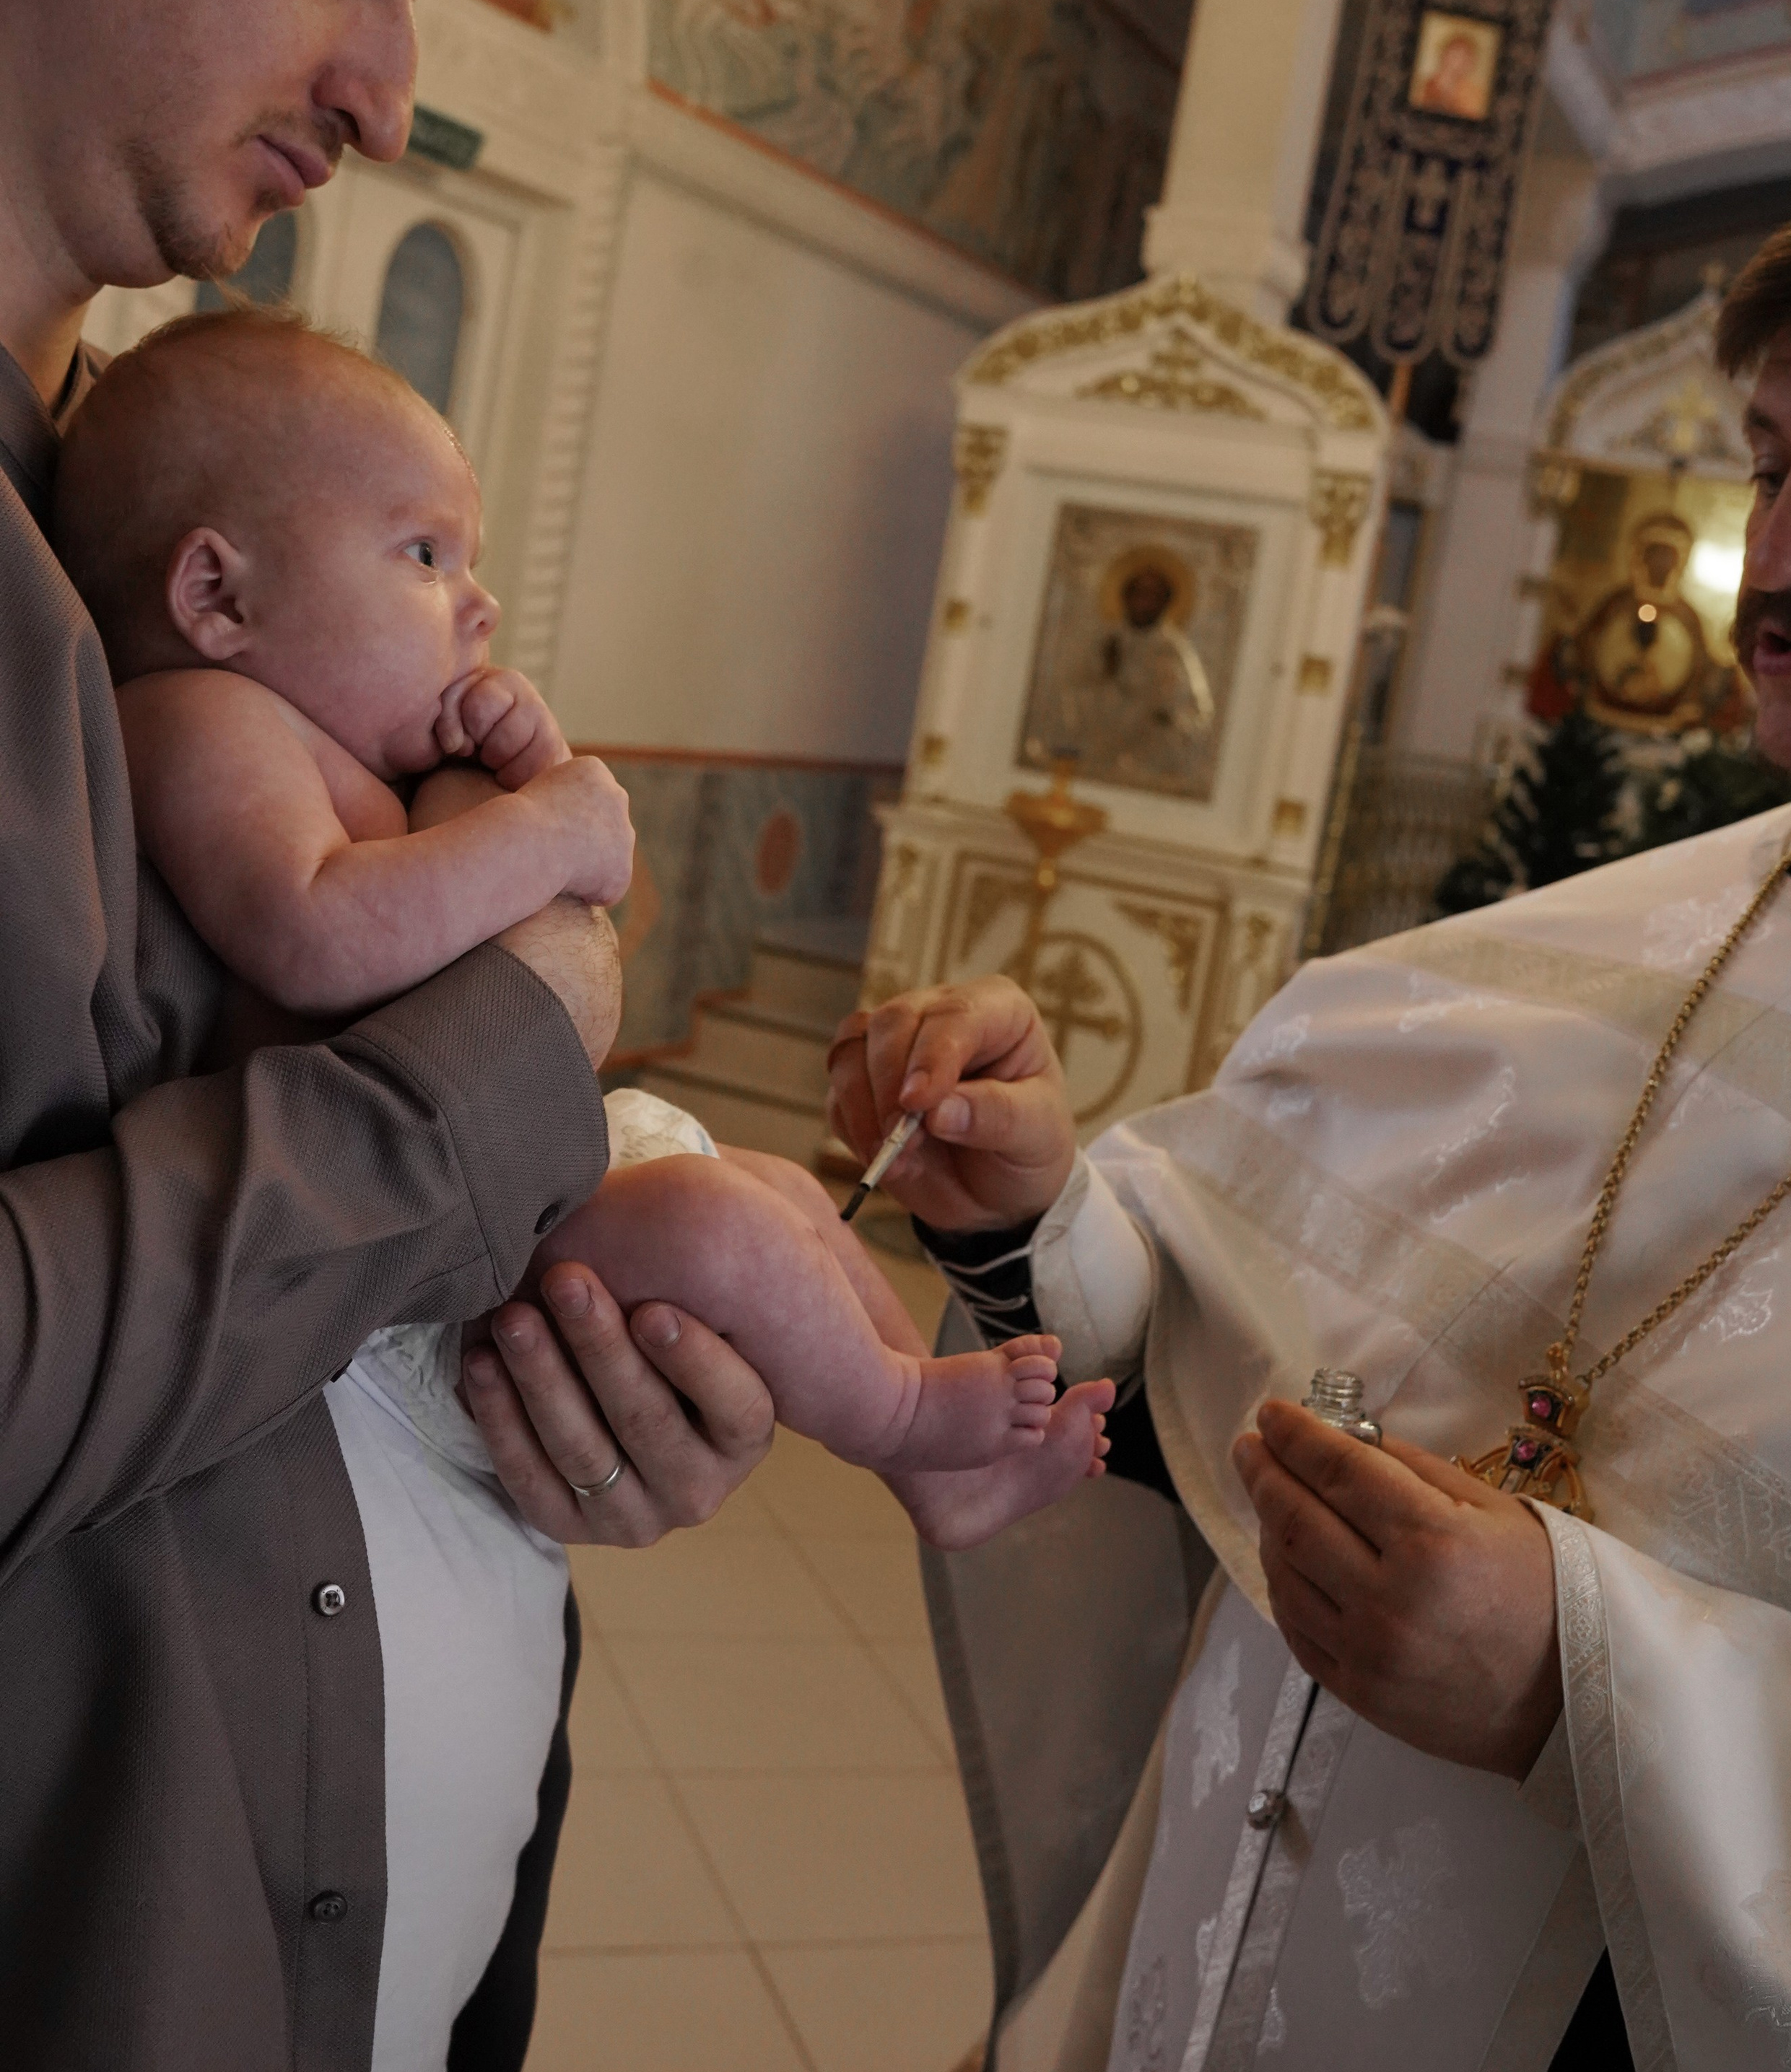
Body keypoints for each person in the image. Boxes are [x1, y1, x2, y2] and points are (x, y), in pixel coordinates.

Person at [830, 186, 1791, 2072]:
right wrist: (1038, 1220)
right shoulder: (1600, 956)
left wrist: (1587, 1688)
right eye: (1770, 463)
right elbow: (1213, 1367)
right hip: (1206, 2064)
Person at [0, 0, 777, 2072]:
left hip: (264, 2023)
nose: (389, 84)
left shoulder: (115, 499)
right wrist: (501, 1069)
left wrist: (546, 1400)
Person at [55, 305, 1115, 1492]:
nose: (479, 601)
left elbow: (501, 895)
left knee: (776, 1193)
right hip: (400, 1257)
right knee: (727, 1231)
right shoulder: (198, 719)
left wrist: (526, 763)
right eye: (422, 555)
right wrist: (542, 824)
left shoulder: (326, 734)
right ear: (217, 595)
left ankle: (934, 1462)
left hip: (493, 1168)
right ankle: (908, 1417)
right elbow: (318, 928)